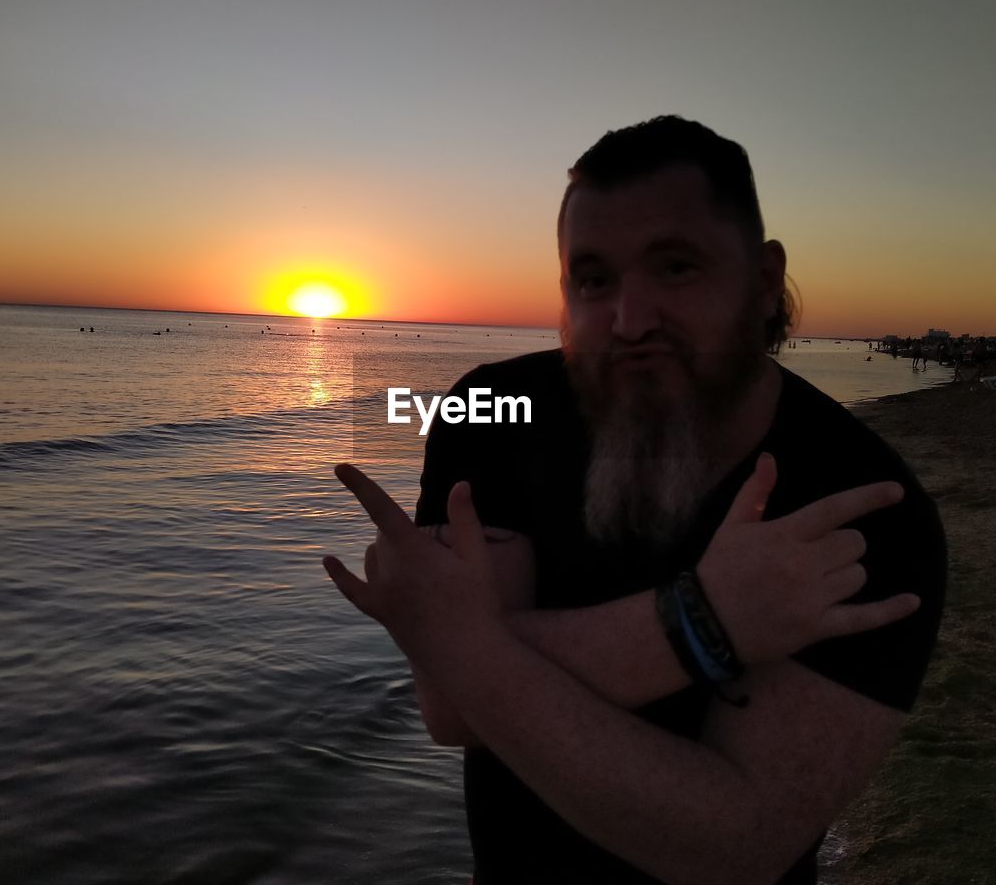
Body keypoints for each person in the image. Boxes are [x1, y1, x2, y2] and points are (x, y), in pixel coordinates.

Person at [322, 116, 947, 884]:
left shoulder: (859, 502)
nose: (630, 320)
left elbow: (735, 843)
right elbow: (451, 714)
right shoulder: (488, 408)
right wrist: (705, 621)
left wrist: (462, 642)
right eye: (594, 280)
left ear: (761, 278)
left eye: (676, 267)